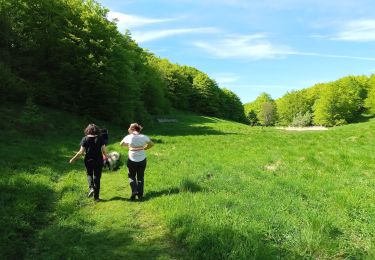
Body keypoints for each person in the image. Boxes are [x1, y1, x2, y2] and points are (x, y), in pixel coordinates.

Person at [69, 123, 107, 202]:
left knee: (89, 174)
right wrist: (106, 158)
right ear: (97, 130)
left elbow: (81, 152)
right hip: (98, 160)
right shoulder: (100, 138)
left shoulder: (85, 139)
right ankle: (96, 197)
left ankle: (91, 188)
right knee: (97, 177)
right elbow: (104, 150)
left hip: (88, 160)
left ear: (87, 130)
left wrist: (73, 159)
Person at [120, 123, 154, 201]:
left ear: (132, 129)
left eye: (129, 127)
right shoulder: (143, 137)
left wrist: (129, 146)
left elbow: (121, 144)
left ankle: (134, 190)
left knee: (131, 176)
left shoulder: (128, 137)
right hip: (142, 160)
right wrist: (145, 148)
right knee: (140, 177)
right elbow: (152, 144)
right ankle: (140, 195)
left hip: (131, 160)